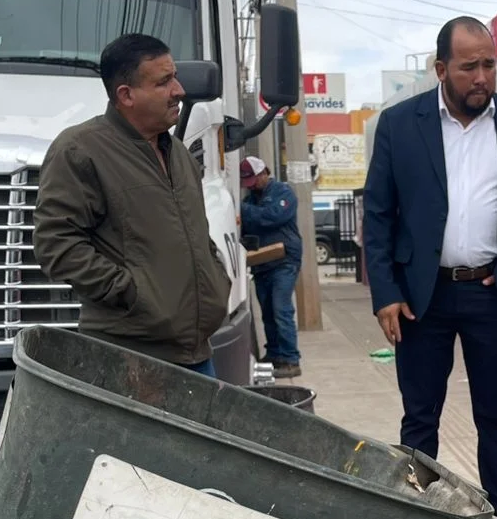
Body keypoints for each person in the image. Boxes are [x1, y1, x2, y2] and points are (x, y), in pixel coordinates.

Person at [363, 16, 497, 519]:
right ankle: (420, 513)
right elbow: (379, 214)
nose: (481, 78)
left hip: (492, 293)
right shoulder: (400, 125)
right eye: (468, 66)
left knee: (496, 412)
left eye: (489, 65)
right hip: (420, 297)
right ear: (440, 69)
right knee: (420, 414)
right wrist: (385, 292)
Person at [33, 33, 232, 376]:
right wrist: (130, 293)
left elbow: (197, 235)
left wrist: (217, 278)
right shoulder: (80, 150)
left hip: (197, 355)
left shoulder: (181, 156)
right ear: (126, 95)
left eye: (176, 78)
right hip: (129, 359)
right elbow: (56, 245)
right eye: (164, 81)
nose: (179, 91)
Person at [239, 156, 303, 379]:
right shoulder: (250, 200)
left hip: (284, 261)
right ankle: (275, 354)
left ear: (264, 173)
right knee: (267, 311)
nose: (252, 185)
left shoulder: (283, 193)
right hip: (262, 263)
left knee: (280, 308)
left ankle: (291, 359)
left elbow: (271, 217)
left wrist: (244, 213)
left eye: (254, 180)